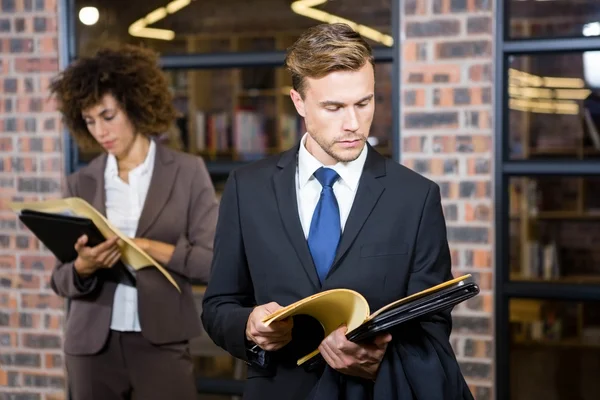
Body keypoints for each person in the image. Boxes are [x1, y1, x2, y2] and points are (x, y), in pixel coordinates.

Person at [201, 23, 473, 400]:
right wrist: (248, 325)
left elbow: (432, 326)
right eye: (334, 107)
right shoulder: (248, 188)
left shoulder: (415, 197)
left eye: (364, 103)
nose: (353, 123)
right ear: (298, 102)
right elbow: (218, 306)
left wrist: (378, 359)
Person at [48, 45, 218, 400]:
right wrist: (82, 266)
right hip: (91, 348)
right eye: (90, 120)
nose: (100, 131)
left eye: (108, 116)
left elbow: (211, 263)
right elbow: (60, 279)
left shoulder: (187, 172)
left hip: (162, 342)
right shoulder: (81, 183)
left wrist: (149, 248)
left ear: (135, 104)